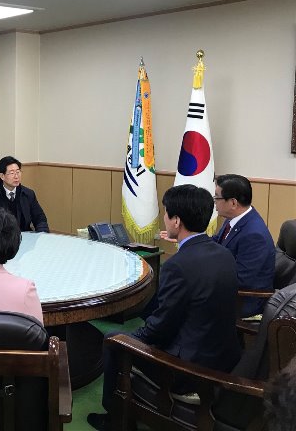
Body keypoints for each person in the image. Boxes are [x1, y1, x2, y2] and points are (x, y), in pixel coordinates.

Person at [87, 184, 241, 431]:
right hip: (223, 356)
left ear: (176, 221)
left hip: (188, 370)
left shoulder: (178, 266)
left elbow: (159, 330)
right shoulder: (224, 254)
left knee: (113, 339)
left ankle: (114, 418)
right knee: (147, 311)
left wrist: (130, 338)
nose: (165, 219)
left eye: (167, 213)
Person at [213, 174, 275, 317]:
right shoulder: (235, 218)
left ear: (233, 203)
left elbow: (241, 280)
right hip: (229, 289)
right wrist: (190, 239)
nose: (214, 201)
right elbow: (216, 242)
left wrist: (204, 275)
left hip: (244, 301)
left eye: (217, 197)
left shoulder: (254, 235)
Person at [0, 156, 49, 232]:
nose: (16, 176)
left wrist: (42, 234)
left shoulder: (28, 194)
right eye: (12, 173)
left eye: (18, 172)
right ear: (2, 176)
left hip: (24, 235)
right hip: (0, 237)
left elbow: (40, 218)